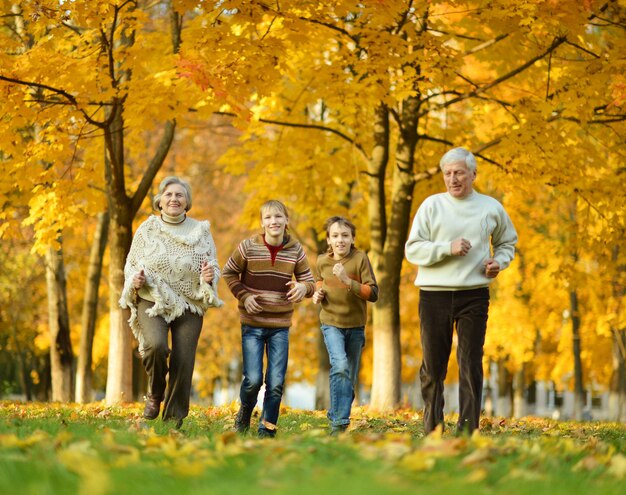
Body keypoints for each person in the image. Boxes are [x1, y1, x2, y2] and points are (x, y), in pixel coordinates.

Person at [405, 147, 518, 435]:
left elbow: (507, 243)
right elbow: (412, 249)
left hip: (474, 294)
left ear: (473, 175)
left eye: (459, 173)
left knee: (470, 363)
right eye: (448, 174)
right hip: (434, 294)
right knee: (433, 366)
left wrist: (498, 262)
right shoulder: (431, 206)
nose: (453, 179)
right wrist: (447, 248)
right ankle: (433, 428)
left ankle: (468, 429)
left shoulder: (491, 207)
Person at [119, 176, 222, 429]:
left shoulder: (201, 232)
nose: (174, 199)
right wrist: (136, 278)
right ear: (160, 201)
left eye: (179, 195)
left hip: (190, 302)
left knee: (183, 359)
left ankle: (173, 421)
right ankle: (155, 393)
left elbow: (214, 267)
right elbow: (131, 265)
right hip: (152, 298)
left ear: (187, 202)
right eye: (168, 195)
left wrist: (209, 277)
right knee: (155, 347)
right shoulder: (147, 229)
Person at [223, 200, 315, 438]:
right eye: (268, 218)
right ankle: (244, 412)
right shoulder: (248, 247)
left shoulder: (295, 250)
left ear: (287, 221)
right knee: (253, 379)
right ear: (262, 223)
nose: (273, 221)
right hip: (252, 324)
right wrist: (243, 296)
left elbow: (310, 282)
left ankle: (267, 430)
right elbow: (229, 272)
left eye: (278, 217)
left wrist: (303, 289)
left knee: (275, 382)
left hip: (280, 327)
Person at [312, 216, 378, 435]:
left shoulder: (360, 259)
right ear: (329, 240)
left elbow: (373, 293)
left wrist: (348, 281)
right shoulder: (322, 260)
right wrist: (318, 292)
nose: (340, 240)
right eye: (335, 236)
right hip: (331, 323)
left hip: (356, 325)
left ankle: (336, 412)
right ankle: (339, 423)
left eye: (345, 235)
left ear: (352, 238)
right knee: (339, 366)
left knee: (348, 378)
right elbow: (319, 281)